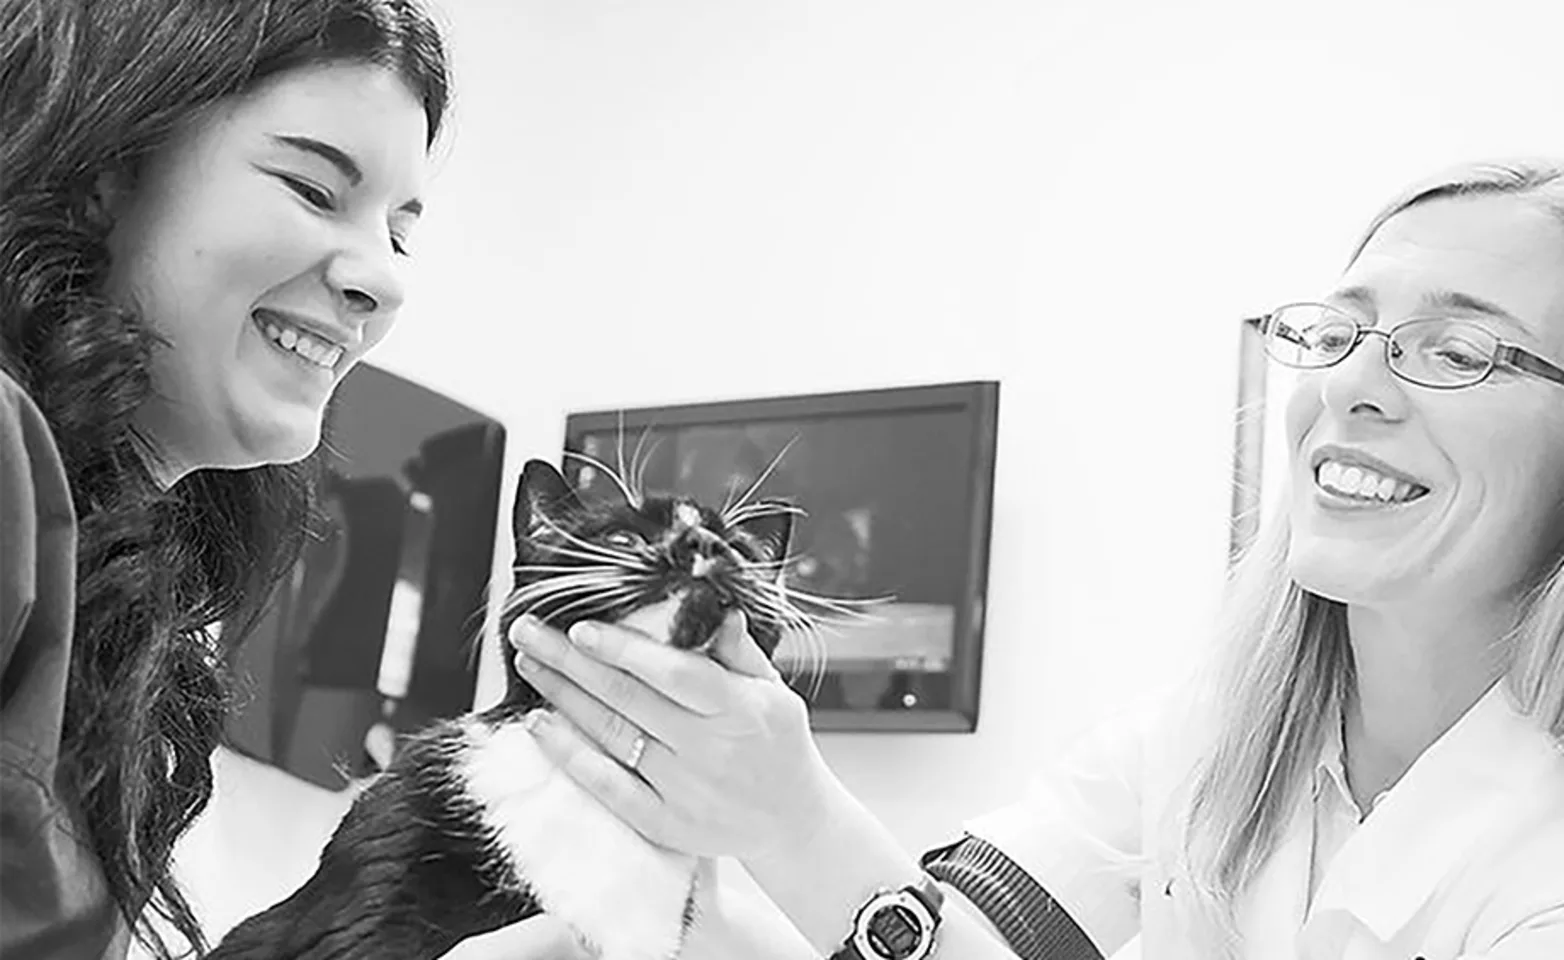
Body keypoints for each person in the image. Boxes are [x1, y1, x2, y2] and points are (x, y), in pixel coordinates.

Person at [509, 158, 1564, 959]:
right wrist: (761, 823)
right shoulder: (1203, 738)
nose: (1350, 387)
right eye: (1340, 331)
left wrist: (786, 820)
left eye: (1457, 353)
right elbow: (970, 933)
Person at [0, 2, 577, 958]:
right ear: (105, 173)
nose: (385, 285)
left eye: (400, 233)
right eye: (314, 189)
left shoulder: (122, 588)